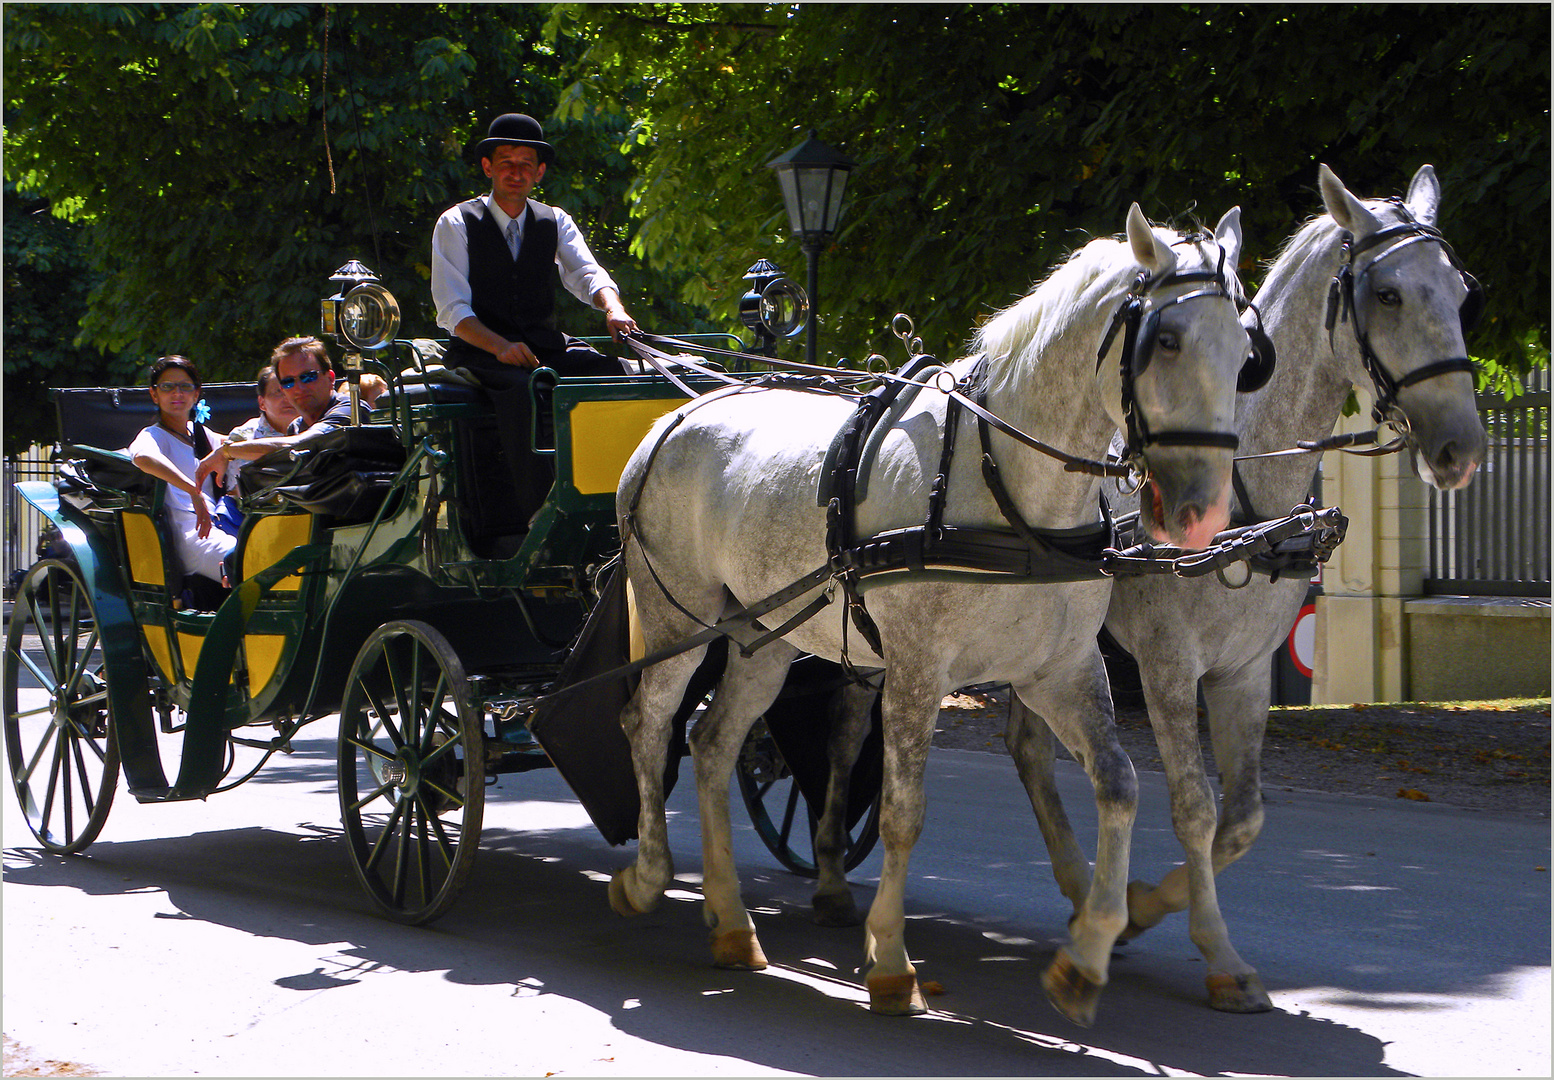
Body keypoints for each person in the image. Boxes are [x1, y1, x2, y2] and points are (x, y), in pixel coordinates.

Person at [429, 111, 637, 515]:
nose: (515, 172)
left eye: (526, 164)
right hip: (482, 354)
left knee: (616, 374)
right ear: (488, 167)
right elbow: (453, 310)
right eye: (506, 162)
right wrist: (501, 346)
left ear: (539, 172)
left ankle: (624, 501)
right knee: (524, 394)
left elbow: (587, 273)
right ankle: (541, 517)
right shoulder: (456, 223)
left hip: (544, 348)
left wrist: (613, 309)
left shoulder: (554, 220)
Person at [195, 336, 371, 488]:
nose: (299, 387)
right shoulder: (296, 426)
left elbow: (301, 443)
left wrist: (226, 452)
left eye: (308, 376)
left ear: (330, 378)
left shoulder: (351, 410)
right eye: (288, 382)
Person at [127, 356, 238, 588]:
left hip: (222, 525)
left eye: (185, 387)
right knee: (249, 556)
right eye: (167, 387)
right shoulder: (155, 435)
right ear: (154, 394)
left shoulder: (199, 433)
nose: (177, 393)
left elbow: (239, 445)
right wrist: (193, 491)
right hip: (192, 537)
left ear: (196, 394)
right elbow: (143, 457)